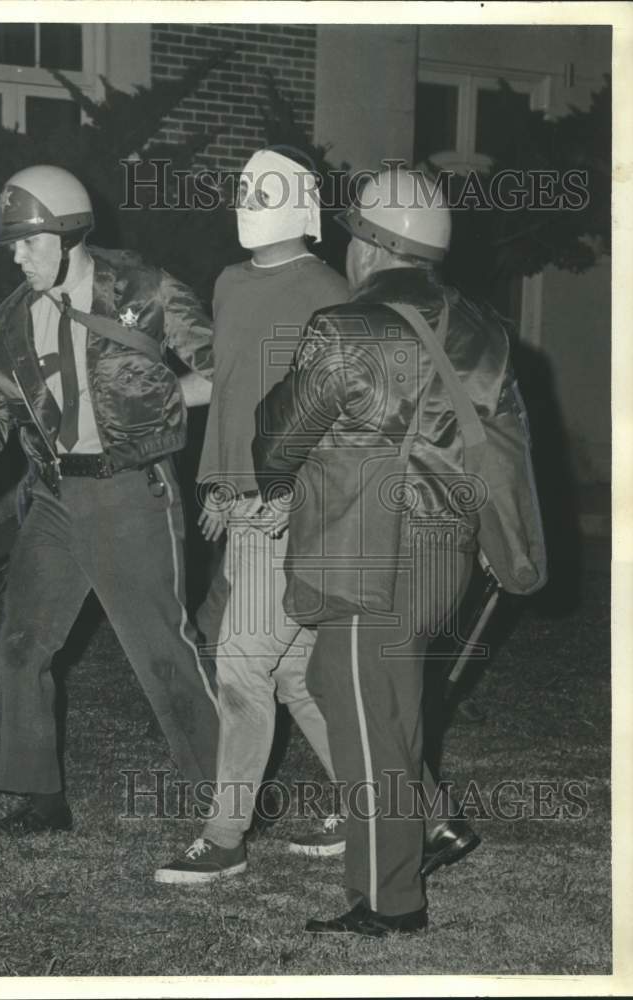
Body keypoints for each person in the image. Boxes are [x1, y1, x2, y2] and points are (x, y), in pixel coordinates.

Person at [154, 150, 475, 884]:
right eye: (245, 189)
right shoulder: (229, 283)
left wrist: (283, 497)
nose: (250, 201)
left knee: (242, 664)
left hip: (298, 509)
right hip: (248, 502)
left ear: (305, 206)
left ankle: (225, 836)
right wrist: (216, 478)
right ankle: (425, 816)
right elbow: (234, 387)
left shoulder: (331, 292)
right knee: (302, 674)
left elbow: (348, 414)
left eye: (267, 190)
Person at [0, 165, 219, 837]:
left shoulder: (146, 290)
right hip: (52, 496)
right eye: (12, 244)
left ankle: (227, 801)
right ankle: (38, 799)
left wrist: (162, 403)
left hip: (130, 489)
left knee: (162, 653)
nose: (17, 257)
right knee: (21, 644)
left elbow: (223, 370)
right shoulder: (10, 324)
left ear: (69, 235)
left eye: (27, 242)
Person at [252, 166, 508, 936]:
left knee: (366, 725)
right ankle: (420, 832)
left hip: (369, 553)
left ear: (368, 245)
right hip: (447, 548)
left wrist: (276, 472)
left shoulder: (344, 327)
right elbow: (507, 447)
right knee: (372, 697)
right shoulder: (481, 328)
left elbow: (277, 441)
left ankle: (388, 899)